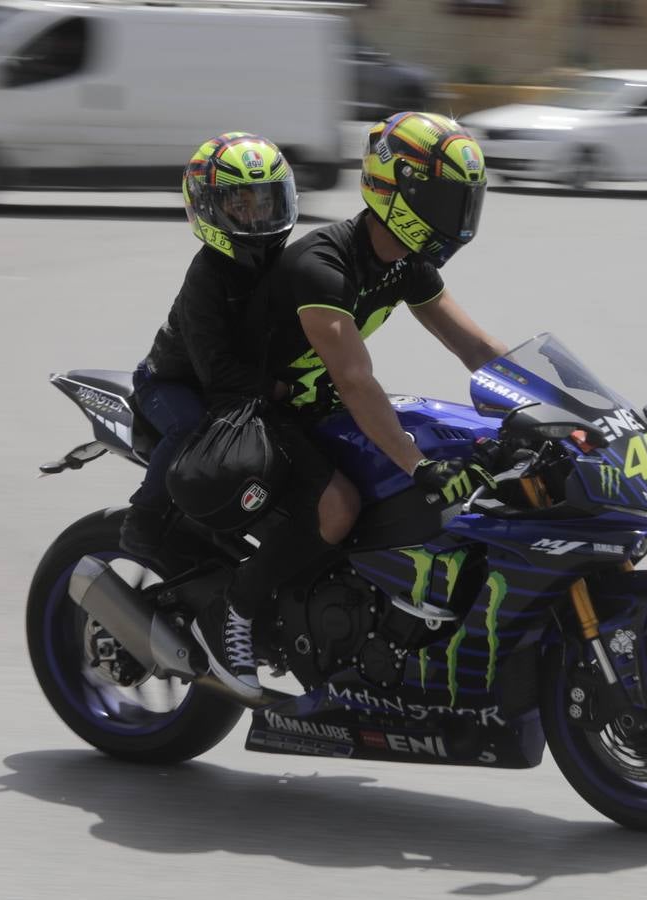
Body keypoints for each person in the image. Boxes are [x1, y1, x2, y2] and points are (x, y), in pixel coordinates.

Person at [190, 112, 505, 700]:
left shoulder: (405, 262)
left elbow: (477, 346)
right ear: (399, 192)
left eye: (466, 201)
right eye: (446, 199)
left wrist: (562, 409)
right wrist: (419, 466)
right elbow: (357, 381)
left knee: (449, 441)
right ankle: (231, 614)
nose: (458, 216)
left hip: (315, 407)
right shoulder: (322, 267)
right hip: (256, 410)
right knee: (339, 505)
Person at [119, 132, 298, 557]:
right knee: (193, 429)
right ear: (209, 208)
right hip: (171, 383)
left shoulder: (281, 265)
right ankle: (143, 515)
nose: (256, 217)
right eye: (241, 205)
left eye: (265, 202)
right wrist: (274, 387)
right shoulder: (208, 277)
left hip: (235, 380)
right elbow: (215, 371)